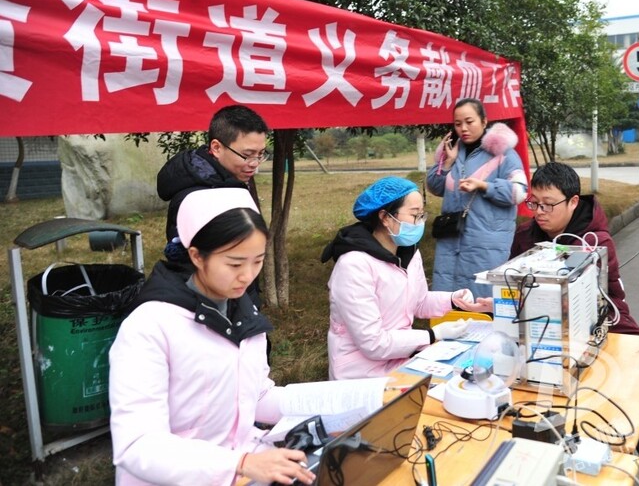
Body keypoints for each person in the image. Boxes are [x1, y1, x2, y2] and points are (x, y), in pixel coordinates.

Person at [109, 188, 316, 486]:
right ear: (196, 256)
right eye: (235, 264)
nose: (247, 276)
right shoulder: (150, 326)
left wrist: (351, 400)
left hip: (244, 470)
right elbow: (137, 444)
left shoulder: (242, 312)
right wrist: (240, 463)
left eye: (257, 261)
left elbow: (257, 396)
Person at [510, 162, 639, 486]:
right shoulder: (524, 236)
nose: (539, 212)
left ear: (573, 202)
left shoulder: (594, 241)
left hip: (606, 326)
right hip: (541, 334)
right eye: (534, 203)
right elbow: (511, 284)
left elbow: (600, 305)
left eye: (548, 204)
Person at [321, 176, 489, 380]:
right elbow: (373, 343)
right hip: (360, 374)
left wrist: (453, 300)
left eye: (422, 215)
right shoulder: (354, 265)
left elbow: (419, 302)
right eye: (415, 215)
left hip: (401, 359)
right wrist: (433, 335)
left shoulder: (408, 253)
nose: (420, 222)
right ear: (385, 217)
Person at [426, 98, 528, 297]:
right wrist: (447, 162)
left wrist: (484, 186)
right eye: (457, 124)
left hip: (486, 244)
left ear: (484, 121)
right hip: (450, 241)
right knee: (448, 302)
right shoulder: (453, 151)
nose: (463, 128)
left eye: (469, 121)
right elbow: (434, 187)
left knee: (481, 301)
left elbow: (519, 192)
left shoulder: (503, 154)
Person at [157, 104, 269, 264]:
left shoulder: (227, 181)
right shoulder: (197, 198)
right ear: (216, 148)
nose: (255, 163)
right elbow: (192, 269)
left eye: (261, 154)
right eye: (247, 155)